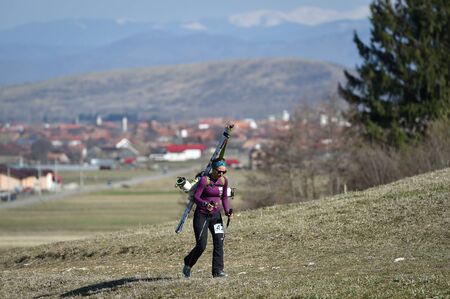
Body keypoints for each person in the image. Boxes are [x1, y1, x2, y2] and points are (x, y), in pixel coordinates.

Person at [182, 159, 233, 278]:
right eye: (219, 172)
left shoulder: (224, 181)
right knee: (201, 245)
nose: (221, 174)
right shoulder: (204, 180)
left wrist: (227, 211)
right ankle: (188, 263)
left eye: (224, 172)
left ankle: (217, 271)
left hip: (216, 216)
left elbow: (224, 197)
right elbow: (195, 197)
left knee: (219, 242)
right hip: (202, 215)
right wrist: (205, 204)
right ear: (213, 169)